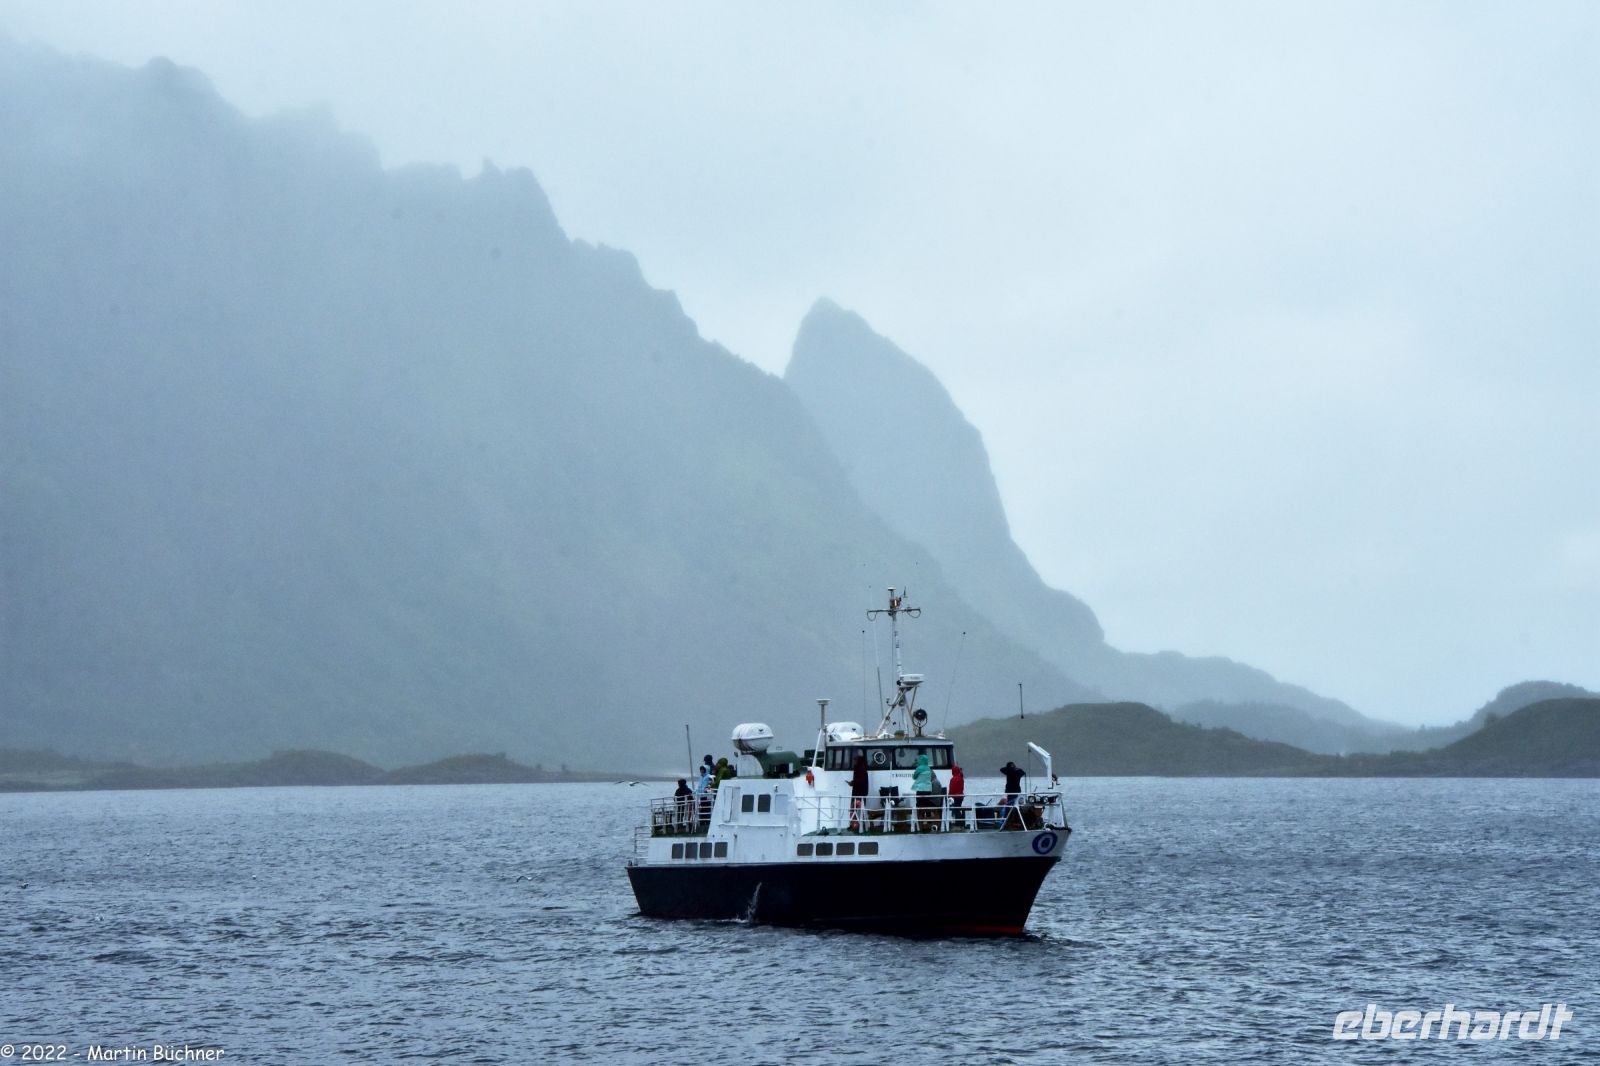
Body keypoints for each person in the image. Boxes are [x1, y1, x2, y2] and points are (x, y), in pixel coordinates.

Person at [913, 753, 935, 828]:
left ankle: (920, 823)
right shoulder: (928, 768)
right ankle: (929, 822)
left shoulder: (919, 768)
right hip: (928, 789)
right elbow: (931, 777)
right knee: (927, 804)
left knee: (920, 805)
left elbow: (914, 777)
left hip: (920, 789)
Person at [849, 753, 869, 830]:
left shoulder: (861, 770)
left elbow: (860, 781)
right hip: (859, 793)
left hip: (859, 793)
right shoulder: (861, 770)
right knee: (855, 809)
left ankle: (859, 826)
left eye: (855, 760)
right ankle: (856, 825)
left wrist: (853, 783)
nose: (854, 762)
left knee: (857, 809)